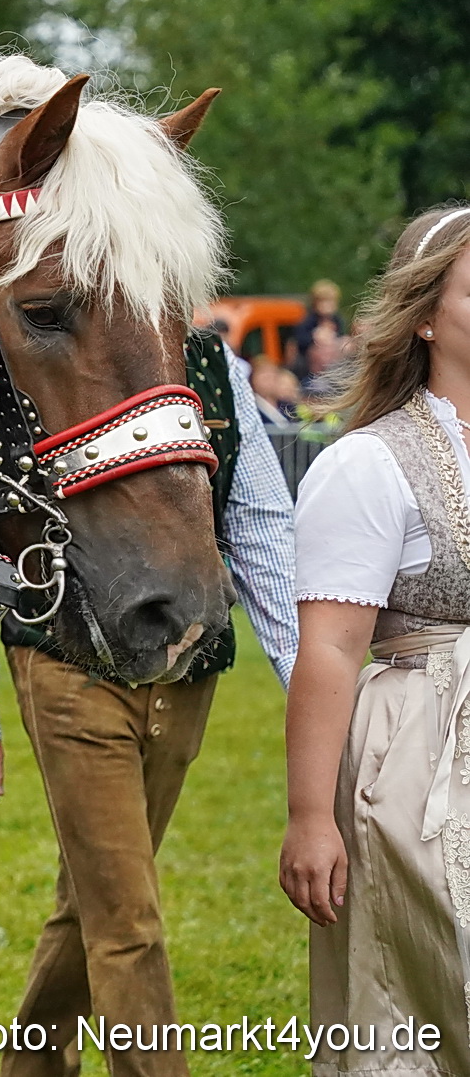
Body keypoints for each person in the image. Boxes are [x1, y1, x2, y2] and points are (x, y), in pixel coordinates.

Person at [0, 327, 298, 1077]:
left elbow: (257, 516)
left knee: (95, 903)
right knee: (127, 916)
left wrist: (306, 681)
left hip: (188, 665)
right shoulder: (38, 342)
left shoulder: (216, 366)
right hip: (67, 656)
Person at [281, 204, 470, 1075]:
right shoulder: (371, 463)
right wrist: (311, 817)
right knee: (426, 988)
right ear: (426, 316)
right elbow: (329, 649)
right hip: (418, 751)